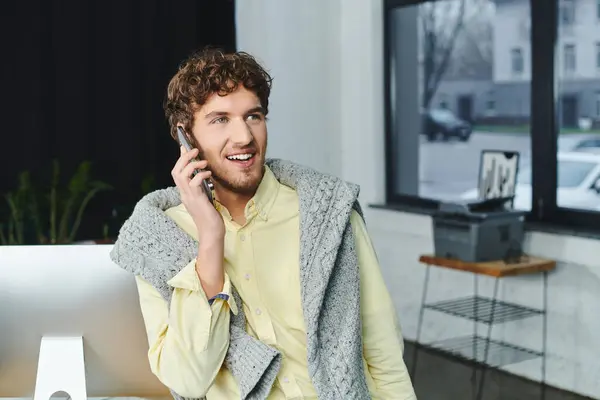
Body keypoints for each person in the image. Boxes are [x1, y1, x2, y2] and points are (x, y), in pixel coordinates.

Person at [110, 48, 416, 400]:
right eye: (220, 119)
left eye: (253, 116)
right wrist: (210, 237)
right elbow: (189, 380)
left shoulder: (329, 213)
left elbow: (383, 352)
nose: (244, 137)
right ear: (186, 137)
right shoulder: (157, 238)